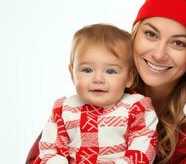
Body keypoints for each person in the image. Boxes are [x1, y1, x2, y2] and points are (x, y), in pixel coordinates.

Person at [26, 0, 186, 164]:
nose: (159, 54)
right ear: (135, 35)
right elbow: (42, 155)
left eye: (178, 43)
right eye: (151, 34)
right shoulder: (100, 92)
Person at [32, 24, 158, 164]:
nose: (98, 79)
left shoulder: (135, 107)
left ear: (129, 78)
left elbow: (142, 150)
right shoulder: (64, 110)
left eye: (110, 71)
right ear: (72, 74)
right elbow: (49, 149)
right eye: (87, 70)